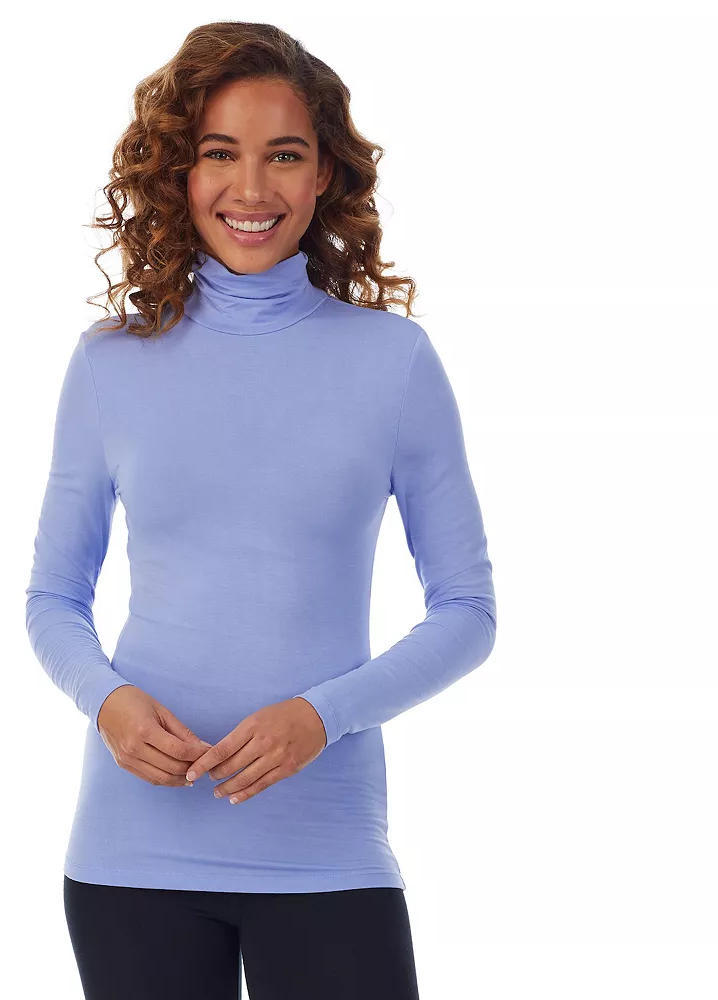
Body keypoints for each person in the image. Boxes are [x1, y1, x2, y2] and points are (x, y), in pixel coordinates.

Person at [25, 21, 497, 1000]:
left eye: (283, 155)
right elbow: (53, 597)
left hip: (328, 850)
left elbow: (467, 611)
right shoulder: (109, 362)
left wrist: (322, 716)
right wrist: (106, 700)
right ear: (180, 173)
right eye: (219, 153)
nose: (251, 188)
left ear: (323, 174)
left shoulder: (393, 363)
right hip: (131, 855)